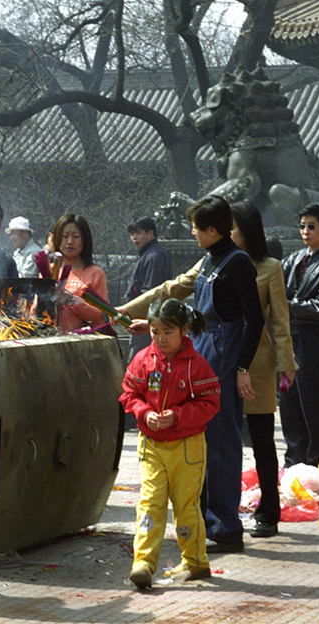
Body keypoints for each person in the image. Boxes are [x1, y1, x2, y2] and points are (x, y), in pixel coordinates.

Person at [118, 197, 264, 553]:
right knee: (199, 439)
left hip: (224, 351)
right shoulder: (210, 259)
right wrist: (153, 327)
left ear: (213, 230)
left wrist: (243, 368)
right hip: (201, 345)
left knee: (220, 440)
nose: (193, 234)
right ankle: (200, 522)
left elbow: (254, 319)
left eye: (197, 228)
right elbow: (197, 314)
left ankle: (226, 528)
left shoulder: (238, 262)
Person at [121, 298, 220, 589]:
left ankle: (195, 562)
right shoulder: (142, 359)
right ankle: (144, 563)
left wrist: (177, 416)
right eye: (155, 332)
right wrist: (144, 413)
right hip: (151, 445)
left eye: (168, 332)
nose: (161, 339)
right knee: (150, 503)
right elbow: (129, 393)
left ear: (184, 331)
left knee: (186, 506)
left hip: (187, 447)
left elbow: (210, 403)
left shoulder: (197, 365)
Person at [229, 201, 297, 538]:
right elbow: (178, 286)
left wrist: (287, 364)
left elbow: (280, 321)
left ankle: (269, 511)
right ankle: (223, 510)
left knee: (261, 440)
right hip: (222, 361)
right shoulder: (217, 260)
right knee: (221, 440)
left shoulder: (270, 267)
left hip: (257, 364)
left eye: (232, 226)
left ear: (248, 229)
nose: (227, 232)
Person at [279, 203, 319, 469]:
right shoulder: (294, 260)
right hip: (288, 336)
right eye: (302, 226)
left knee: (312, 399)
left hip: (311, 337)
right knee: (288, 398)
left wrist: (287, 304)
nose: (305, 231)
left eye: (311, 226)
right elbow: (275, 290)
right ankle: (294, 460)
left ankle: (318, 460)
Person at [48, 214, 108, 333]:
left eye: (76, 237)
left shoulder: (95, 273)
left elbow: (100, 317)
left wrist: (73, 301)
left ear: (85, 240)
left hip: (82, 343)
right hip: (49, 340)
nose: (70, 242)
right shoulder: (49, 271)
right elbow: (35, 312)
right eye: (64, 236)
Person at [124, 218, 172, 360]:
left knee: (139, 359)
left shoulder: (154, 256)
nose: (134, 238)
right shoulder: (149, 254)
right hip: (144, 317)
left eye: (138, 233)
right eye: (132, 234)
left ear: (151, 233)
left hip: (146, 317)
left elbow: (150, 291)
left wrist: (133, 310)